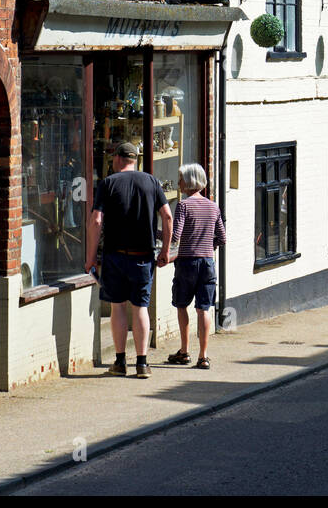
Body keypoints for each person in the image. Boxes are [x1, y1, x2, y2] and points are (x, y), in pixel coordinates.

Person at [86, 142, 173, 379]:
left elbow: (96, 221)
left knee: (117, 307)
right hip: (143, 257)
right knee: (140, 307)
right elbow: (167, 216)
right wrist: (165, 250)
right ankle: (143, 363)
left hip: (115, 256)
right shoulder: (152, 182)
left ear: (116, 159)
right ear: (136, 160)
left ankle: (120, 361)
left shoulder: (108, 183)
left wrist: (91, 257)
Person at [165, 164, 225, 370]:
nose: (179, 183)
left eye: (181, 179)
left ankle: (184, 351)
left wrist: (158, 235)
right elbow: (222, 238)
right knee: (204, 309)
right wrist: (208, 246)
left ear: (189, 181)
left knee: (182, 305)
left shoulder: (183, 206)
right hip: (208, 262)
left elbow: (176, 236)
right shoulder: (213, 206)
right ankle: (203, 356)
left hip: (187, 262)